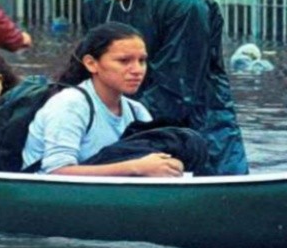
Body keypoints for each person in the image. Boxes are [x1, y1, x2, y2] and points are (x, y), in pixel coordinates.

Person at [64, 0, 248, 175]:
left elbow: (176, 92)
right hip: (125, 137)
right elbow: (87, 73)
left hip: (202, 142)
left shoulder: (183, 4)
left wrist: (113, 130)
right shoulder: (96, 5)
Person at [22, 22, 206, 176]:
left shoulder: (137, 111)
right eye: (124, 61)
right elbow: (55, 171)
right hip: (53, 198)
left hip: (104, 197)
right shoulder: (70, 104)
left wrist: (170, 166)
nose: (137, 70)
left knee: (188, 143)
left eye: (142, 61)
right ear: (91, 64)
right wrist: (137, 167)